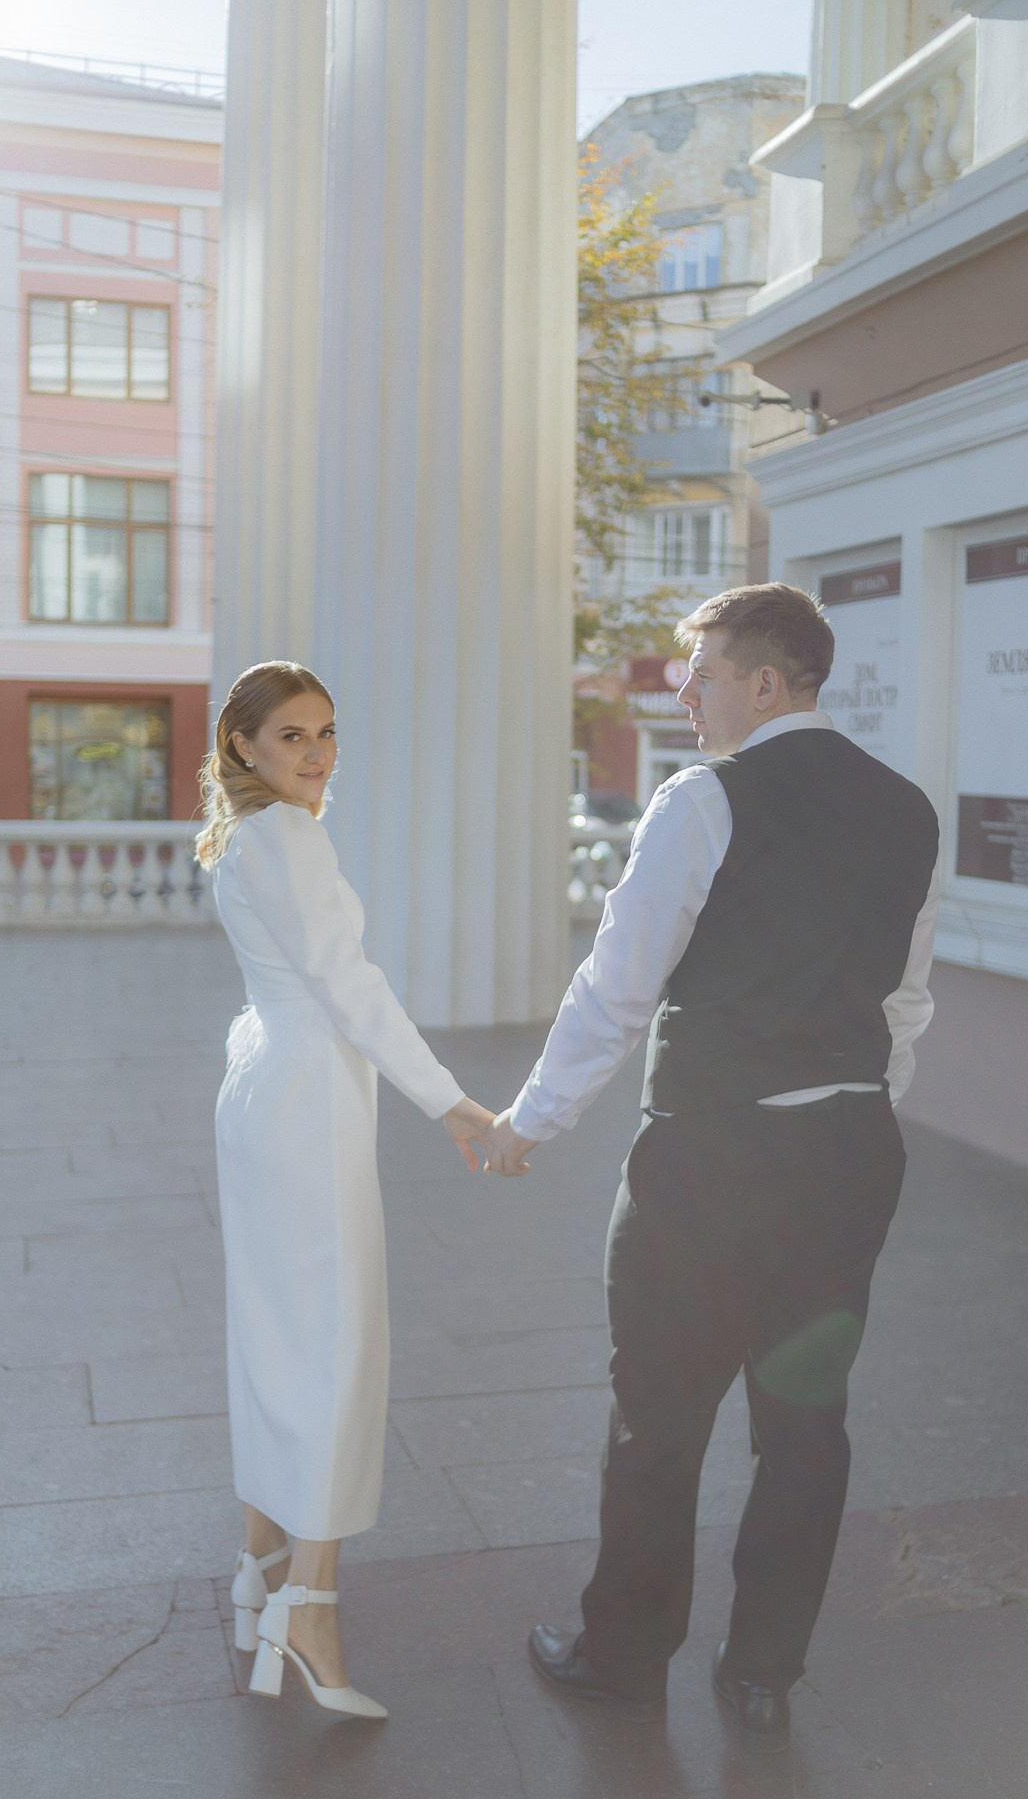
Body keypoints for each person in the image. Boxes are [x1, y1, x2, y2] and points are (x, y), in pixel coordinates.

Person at [485, 584, 940, 1749]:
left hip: (710, 1163)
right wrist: (853, 1114)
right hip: (846, 1158)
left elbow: (617, 988)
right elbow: (905, 1001)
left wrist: (531, 1120)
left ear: (766, 683)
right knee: (806, 1424)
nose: (683, 689)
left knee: (658, 1418)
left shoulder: (702, 800)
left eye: (702, 671)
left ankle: (625, 1658)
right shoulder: (908, 810)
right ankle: (764, 1674)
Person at [196, 660, 492, 1720]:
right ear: (242, 747)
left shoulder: (244, 838)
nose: (318, 755)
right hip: (308, 1103)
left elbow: (297, 987)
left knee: (275, 1336)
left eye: (326, 733)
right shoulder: (290, 837)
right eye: (291, 738)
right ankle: (308, 1608)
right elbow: (351, 988)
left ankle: (263, 1573)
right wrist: (452, 1102)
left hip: (263, 1091)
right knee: (333, 1344)